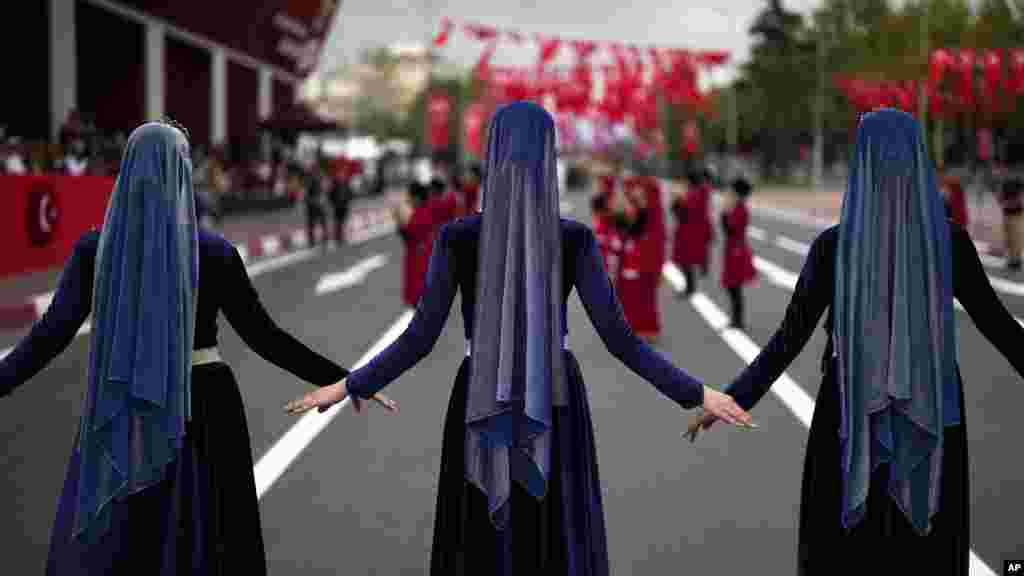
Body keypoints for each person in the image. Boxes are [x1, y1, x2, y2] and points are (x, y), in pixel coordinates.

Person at [285, 101, 754, 575]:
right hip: (555, 393)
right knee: (556, 533)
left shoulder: (458, 237)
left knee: (484, 539)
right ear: (548, 157)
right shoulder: (574, 238)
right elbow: (621, 341)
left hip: (479, 389)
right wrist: (698, 394)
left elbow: (419, 339)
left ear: (492, 155)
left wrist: (347, 386)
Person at [0, 121, 396, 575]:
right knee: (208, 537)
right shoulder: (213, 252)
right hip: (205, 404)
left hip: (126, 401)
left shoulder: (95, 251)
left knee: (123, 538)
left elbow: (47, 338)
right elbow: (265, 337)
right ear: (183, 174)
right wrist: (349, 379)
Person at [687, 109, 1024, 574]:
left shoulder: (834, 245)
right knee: (925, 546)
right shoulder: (949, 242)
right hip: (932, 410)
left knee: (847, 550)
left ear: (860, 163)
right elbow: (1001, 327)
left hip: (848, 410)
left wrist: (732, 398)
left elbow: (789, 338)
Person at [612, 175, 665, 342]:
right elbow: (622, 229)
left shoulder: (653, 215)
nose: (637, 196)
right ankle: (629, 328)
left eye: (642, 194)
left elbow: (655, 240)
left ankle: (647, 329)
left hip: (644, 263)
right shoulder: (632, 211)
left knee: (645, 298)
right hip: (629, 260)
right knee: (627, 296)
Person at [720, 176, 757, 329]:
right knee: (733, 286)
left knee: (734, 286)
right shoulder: (738, 207)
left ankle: (738, 320)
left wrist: (724, 213)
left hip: (736, 251)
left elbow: (730, 229)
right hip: (735, 249)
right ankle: (736, 319)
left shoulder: (740, 208)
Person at [393, 181, 436, 308]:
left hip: (419, 260)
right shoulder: (423, 211)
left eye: (409, 196)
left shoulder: (421, 213)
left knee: (419, 302)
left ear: (416, 197)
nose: (407, 199)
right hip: (419, 258)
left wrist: (399, 220)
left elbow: (410, 234)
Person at [672, 169, 713, 297]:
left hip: (687, 233)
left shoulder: (691, 195)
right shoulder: (699, 193)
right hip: (694, 231)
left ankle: (690, 288)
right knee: (689, 260)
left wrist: (677, 201)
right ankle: (694, 280)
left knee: (685, 261)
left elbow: (681, 213)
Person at [999, 177, 1023, 271]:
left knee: (1016, 237)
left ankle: (1016, 259)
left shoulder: (1018, 182)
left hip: (1017, 213)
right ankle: (1012, 259)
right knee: (1009, 237)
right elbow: (1000, 196)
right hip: (1007, 212)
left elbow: (1021, 197)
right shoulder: (1005, 182)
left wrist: (1011, 203)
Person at [328, 160, 353, 245]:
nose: (341, 175)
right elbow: (330, 194)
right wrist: (333, 203)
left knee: (343, 222)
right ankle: (338, 237)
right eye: (340, 173)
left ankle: (343, 237)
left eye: (342, 174)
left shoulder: (346, 183)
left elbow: (350, 193)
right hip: (337, 205)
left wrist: (348, 200)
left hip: (344, 205)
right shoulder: (334, 184)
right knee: (337, 222)